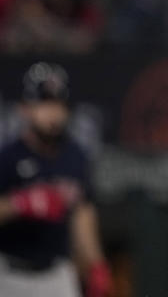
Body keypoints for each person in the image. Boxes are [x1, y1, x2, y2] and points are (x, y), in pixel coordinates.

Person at [0, 62, 112, 297]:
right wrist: (19, 204)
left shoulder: (75, 157)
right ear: (25, 108)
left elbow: (83, 215)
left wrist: (96, 265)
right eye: (44, 103)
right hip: (10, 273)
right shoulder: (8, 157)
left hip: (57, 275)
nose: (53, 113)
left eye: (58, 104)